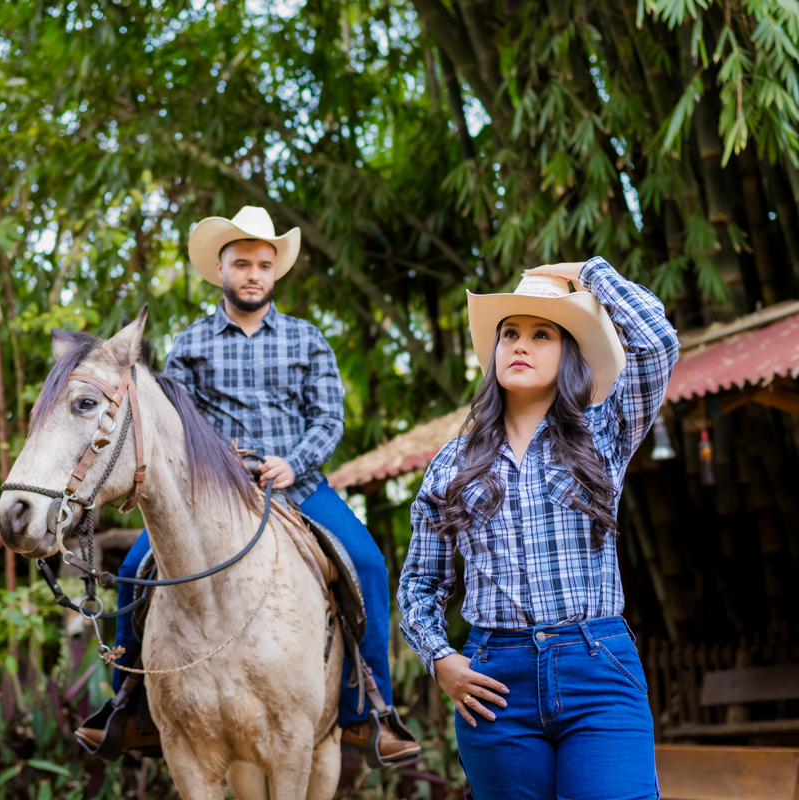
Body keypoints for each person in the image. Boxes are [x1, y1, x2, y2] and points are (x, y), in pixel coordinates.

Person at [75, 206, 419, 763]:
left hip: (299, 487)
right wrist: (217, 461)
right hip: (212, 493)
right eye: (241, 263)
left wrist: (294, 463)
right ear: (221, 270)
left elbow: (329, 418)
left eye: (264, 264)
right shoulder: (188, 344)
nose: (253, 274)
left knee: (370, 564)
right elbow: (175, 425)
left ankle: (371, 712)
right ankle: (129, 705)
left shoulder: (308, 340)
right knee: (136, 571)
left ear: (276, 271)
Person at [397, 257, 679, 799]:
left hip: (597, 668)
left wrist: (587, 270)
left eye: (541, 334)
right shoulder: (452, 463)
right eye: (510, 334)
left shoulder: (605, 433)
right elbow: (420, 584)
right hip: (495, 684)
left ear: (569, 353)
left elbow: (658, 342)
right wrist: (441, 659)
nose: (520, 345)